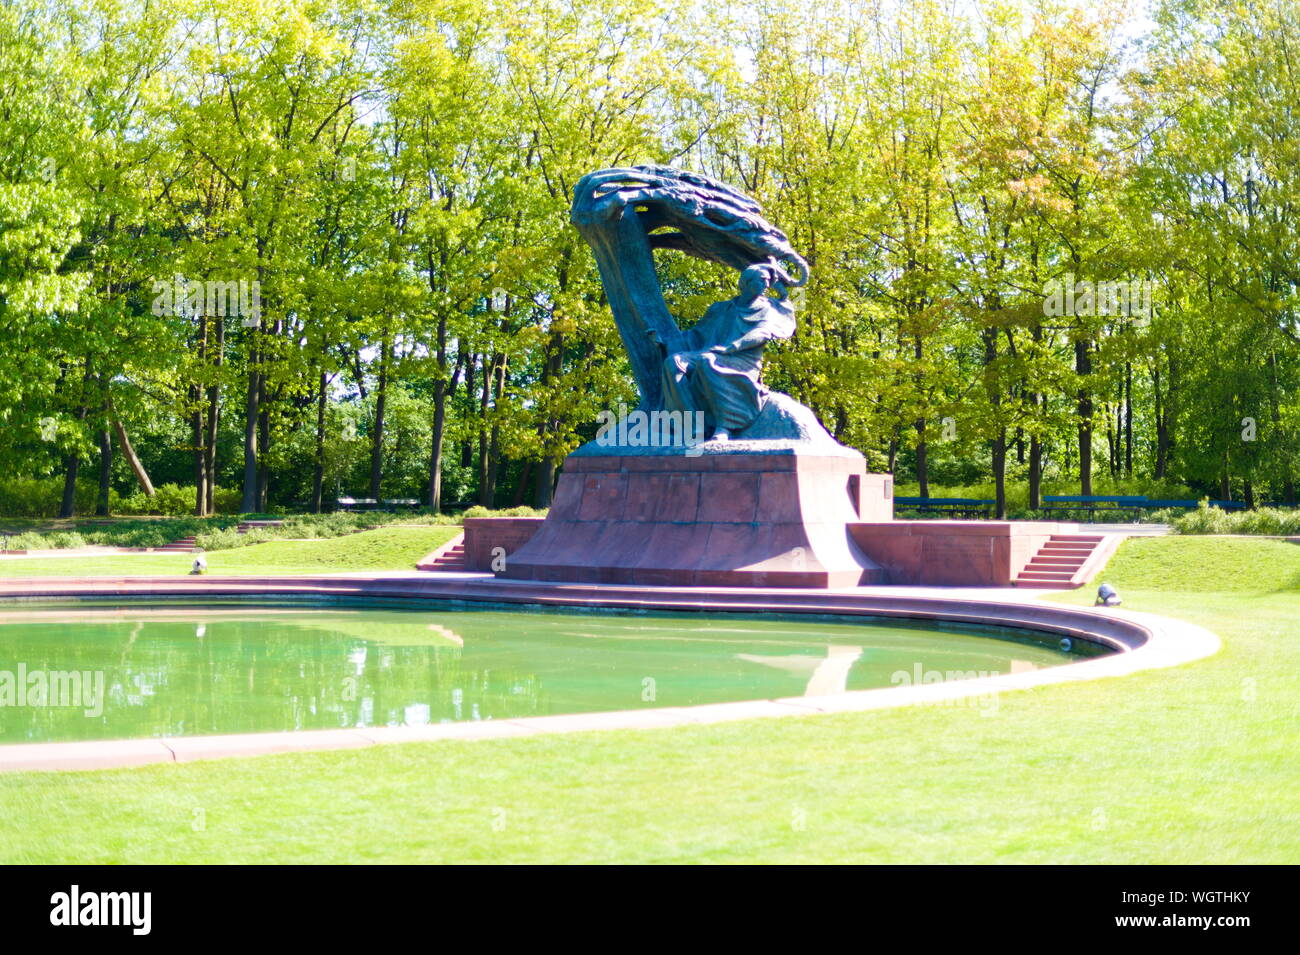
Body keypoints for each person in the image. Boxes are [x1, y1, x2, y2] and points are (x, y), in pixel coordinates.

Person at [657, 263, 796, 440]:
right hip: (713, 352)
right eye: (762, 280)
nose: (767, 285)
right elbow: (696, 335)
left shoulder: (768, 308)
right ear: (746, 282)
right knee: (674, 362)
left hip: (742, 359)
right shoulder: (721, 308)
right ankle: (693, 426)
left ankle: (724, 426)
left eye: (768, 281)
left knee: (707, 361)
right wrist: (665, 341)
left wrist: (733, 347)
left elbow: (762, 332)